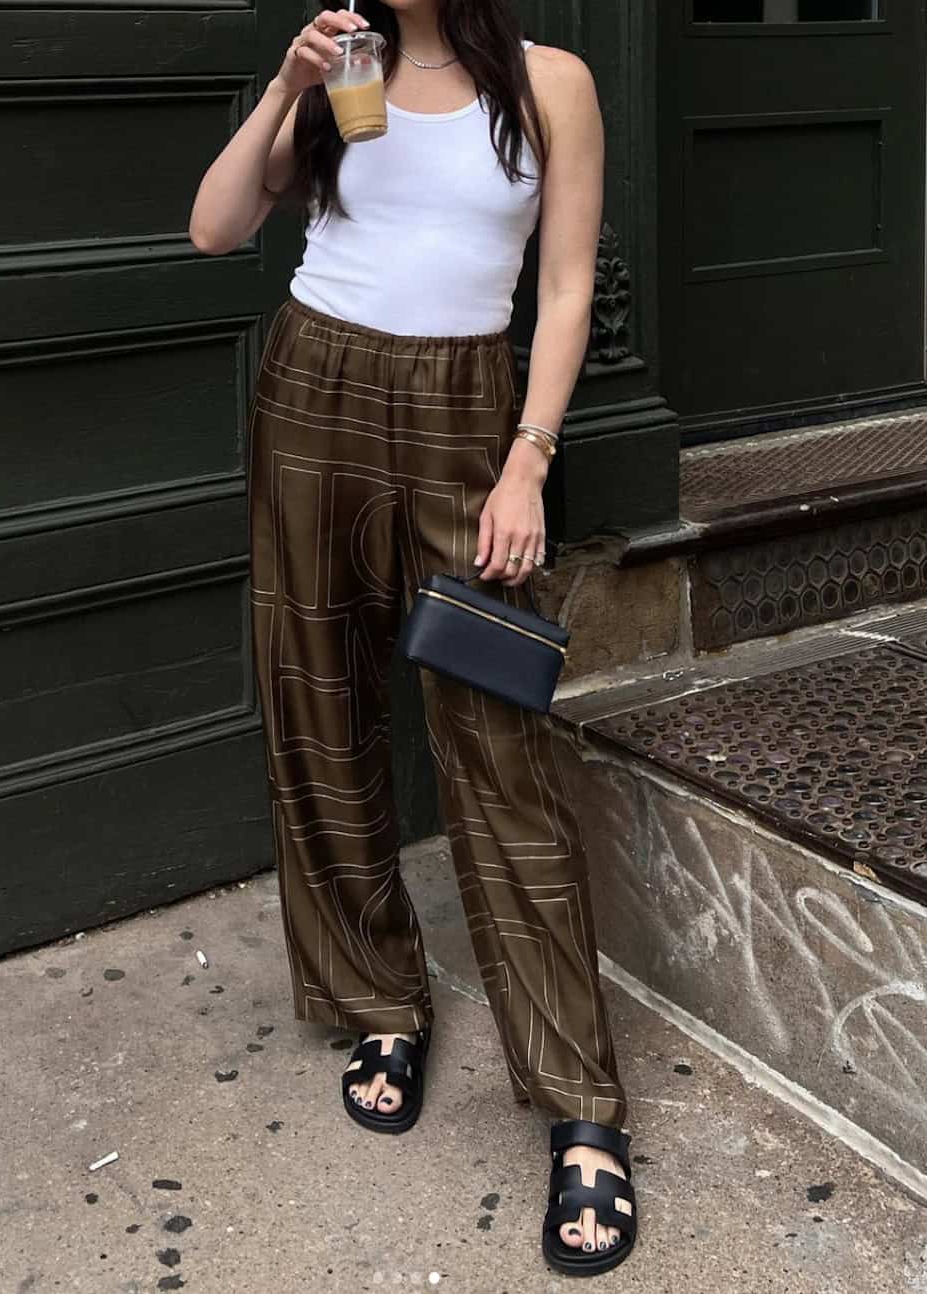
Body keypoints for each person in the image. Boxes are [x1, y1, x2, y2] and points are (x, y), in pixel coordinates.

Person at [189, 0, 636, 1276]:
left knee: (499, 742)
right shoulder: (344, 70)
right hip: (312, 389)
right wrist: (287, 86)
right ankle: (380, 999)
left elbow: (561, 283)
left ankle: (579, 1099)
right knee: (317, 710)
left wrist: (527, 464)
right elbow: (216, 228)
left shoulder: (550, 80)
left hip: (465, 411)